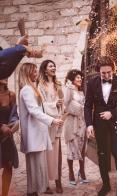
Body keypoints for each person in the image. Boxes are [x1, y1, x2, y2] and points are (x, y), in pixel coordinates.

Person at [18, 62, 63, 196]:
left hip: (37, 133)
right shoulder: (26, 89)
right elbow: (34, 111)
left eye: (37, 70)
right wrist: (52, 120)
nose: (36, 73)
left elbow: (40, 108)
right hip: (33, 134)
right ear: (27, 72)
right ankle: (33, 191)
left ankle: (33, 191)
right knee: (35, 167)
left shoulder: (31, 88)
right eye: (33, 71)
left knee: (36, 167)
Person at [84, 57, 117, 196]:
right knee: (102, 154)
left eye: (109, 72)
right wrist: (89, 124)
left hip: (116, 122)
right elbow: (88, 105)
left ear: (113, 69)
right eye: (103, 73)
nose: (107, 75)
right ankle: (106, 185)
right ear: (98, 72)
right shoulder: (91, 83)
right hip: (99, 123)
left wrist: (112, 113)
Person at [37, 60, 63, 193]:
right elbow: (42, 105)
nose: (53, 67)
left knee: (58, 152)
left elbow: (62, 103)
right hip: (47, 123)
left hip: (57, 122)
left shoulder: (58, 84)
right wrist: (54, 104)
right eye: (50, 66)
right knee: (46, 154)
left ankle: (58, 181)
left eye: (54, 65)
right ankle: (46, 184)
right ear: (45, 69)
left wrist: (60, 105)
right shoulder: (40, 85)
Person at [63, 69, 89, 186]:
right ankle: (71, 172)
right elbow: (66, 103)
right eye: (78, 77)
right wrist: (69, 87)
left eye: (81, 77)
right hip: (72, 122)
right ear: (72, 79)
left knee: (82, 148)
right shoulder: (69, 90)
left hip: (82, 122)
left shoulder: (82, 92)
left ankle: (82, 171)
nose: (80, 79)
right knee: (72, 149)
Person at [0, 78, 19, 196]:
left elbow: (14, 114)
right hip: (2, 130)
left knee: (8, 165)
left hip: (6, 136)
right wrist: (1, 126)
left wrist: (14, 123)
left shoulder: (11, 95)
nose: (6, 77)